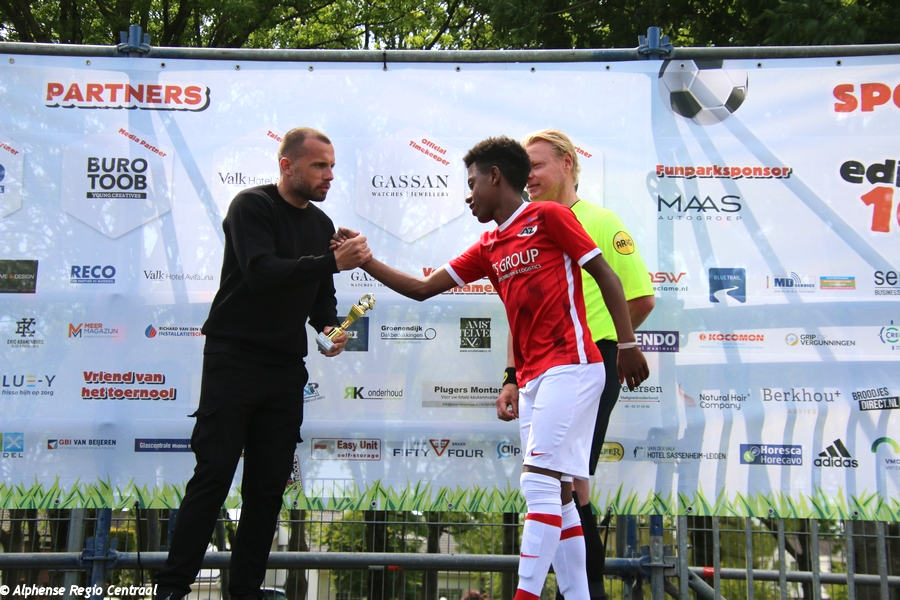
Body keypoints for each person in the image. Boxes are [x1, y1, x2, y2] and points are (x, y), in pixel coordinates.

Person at [346, 136, 648, 600]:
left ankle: (525, 594)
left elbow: (606, 274)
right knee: (562, 493)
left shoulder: (549, 217)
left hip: (574, 366)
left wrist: (626, 345)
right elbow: (423, 288)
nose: (468, 196)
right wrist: (366, 261)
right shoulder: (488, 246)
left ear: (495, 176)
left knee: (538, 482)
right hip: (533, 378)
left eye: (472, 184)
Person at [155, 127, 372, 600]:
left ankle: (245, 590)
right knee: (213, 475)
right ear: (287, 165)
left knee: (268, 487)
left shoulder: (321, 223)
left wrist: (331, 330)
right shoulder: (251, 206)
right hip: (233, 359)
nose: (329, 175)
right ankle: (172, 588)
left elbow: (322, 299)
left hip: (285, 370)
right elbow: (261, 272)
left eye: (332, 166)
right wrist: (332, 262)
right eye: (319, 165)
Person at [496, 129, 655, 600]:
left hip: (587, 363)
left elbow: (640, 297)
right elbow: (521, 313)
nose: (528, 177)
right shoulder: (522, 226)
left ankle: (582, 590)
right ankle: (578, 592)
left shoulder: (602, 221)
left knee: (569, 483)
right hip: (538, 370)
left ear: (567, 163)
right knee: (559, 485)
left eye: (536, 166)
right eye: (523, 169)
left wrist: (607, 341)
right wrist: (511, 375)